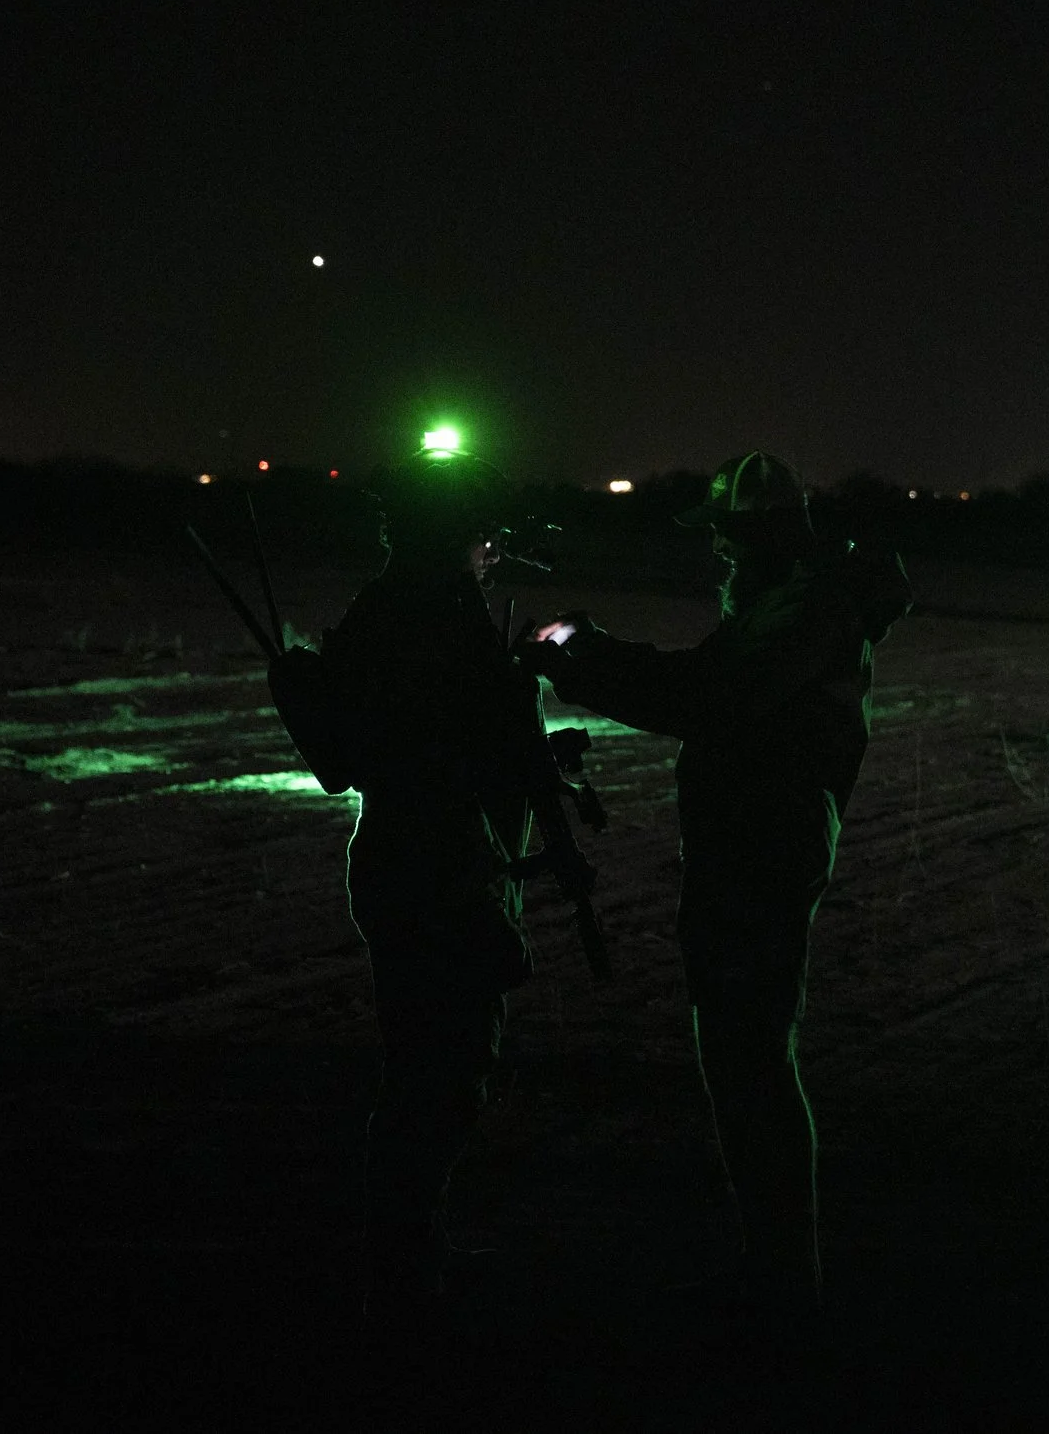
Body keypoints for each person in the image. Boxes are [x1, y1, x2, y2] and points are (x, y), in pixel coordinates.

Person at [522, 451, 911, 1313]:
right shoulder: (796, 602)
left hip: (763, 856)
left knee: (751, 1062)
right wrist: (592, 654)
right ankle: (773, 1270)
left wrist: (580, 657)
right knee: (741, 1059)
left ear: (762, 534)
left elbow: (705, 694)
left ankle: (781, 1283)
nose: (721, 557)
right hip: (751, 850)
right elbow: (708, 686)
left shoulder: (804, 611)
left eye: (730, 539)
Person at [265, 445, 567, 1318]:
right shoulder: (442, 614)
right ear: (463, 532)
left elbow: (348, 753)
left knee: (420, 1069)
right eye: (486, 534)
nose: (494, 551)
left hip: (400, 867)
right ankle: (404, 1273)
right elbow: (481, 744)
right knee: (444, 1073)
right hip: (444, 874)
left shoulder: (386, 609)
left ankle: (405, 1253)